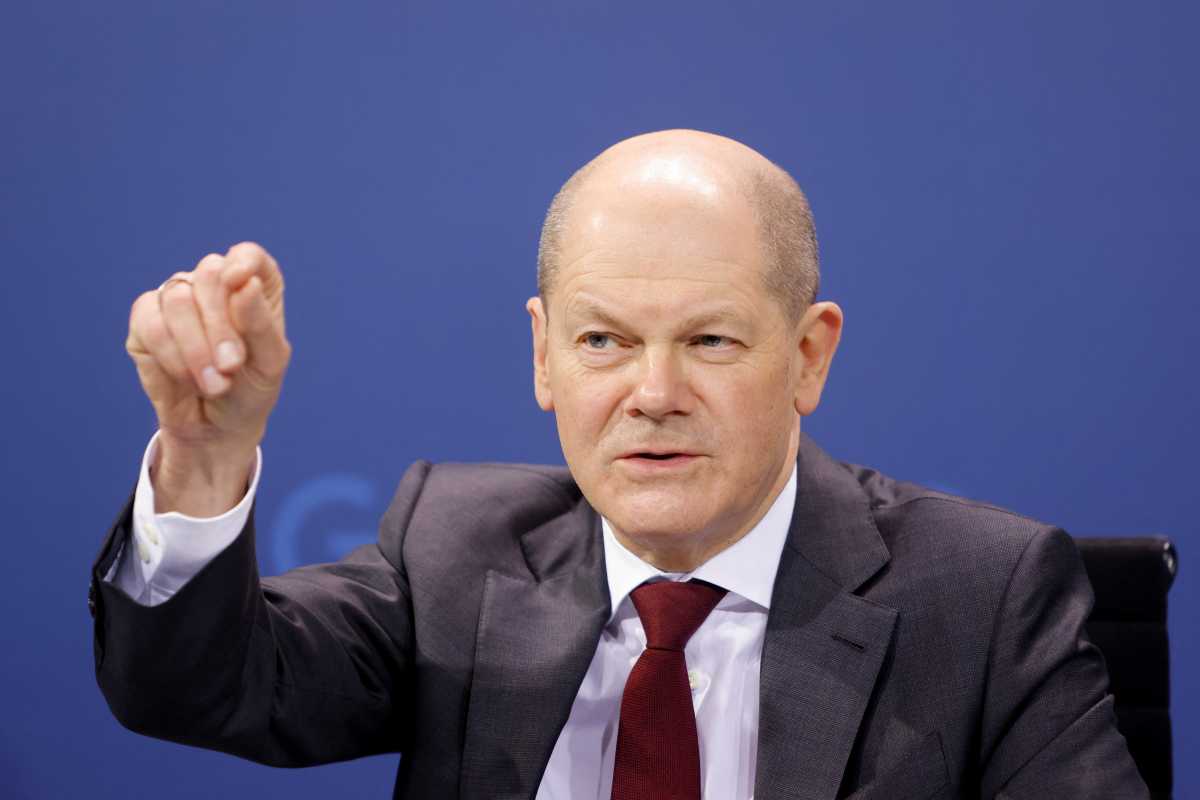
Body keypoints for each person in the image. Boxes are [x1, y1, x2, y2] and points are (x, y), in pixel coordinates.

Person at [90, 129, 1148, 799]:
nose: (651, 391)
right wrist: (206, 452)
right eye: (603, 340)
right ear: (543, 353)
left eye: (711, 340)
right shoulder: (457, 548)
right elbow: (197, 689)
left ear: (809, 353)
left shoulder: (984, 596)